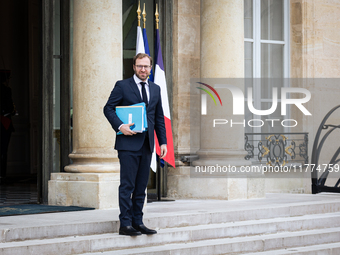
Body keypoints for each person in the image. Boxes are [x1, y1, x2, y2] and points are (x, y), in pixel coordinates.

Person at [104, 53, 167, 236]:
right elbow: (108, 108)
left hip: (147, 145)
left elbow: (159, 117)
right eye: (140, 66)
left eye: (146, 66)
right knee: (127, 185)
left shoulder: (155, 89)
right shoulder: (122, 86)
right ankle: (125, 224)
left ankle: (138, 222)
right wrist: (120, 126)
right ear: (134, 67)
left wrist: (162, 142)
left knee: (141, 186)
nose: (143, 69)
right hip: (127, 145)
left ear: (150, 68)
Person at [1, 70, 16, 184]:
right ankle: (2, 175)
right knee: (3, 150)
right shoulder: (6, 90)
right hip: (4, 122)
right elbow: (10, 108)